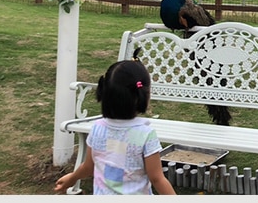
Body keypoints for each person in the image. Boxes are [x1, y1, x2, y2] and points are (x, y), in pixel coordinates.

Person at [54, 58, 175, 195]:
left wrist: (72, 178)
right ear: (142, 96)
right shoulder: (145, 134)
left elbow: (88, 167)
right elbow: (157, 178)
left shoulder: (97, 128)